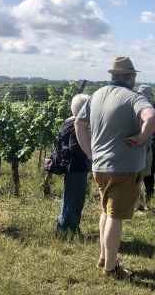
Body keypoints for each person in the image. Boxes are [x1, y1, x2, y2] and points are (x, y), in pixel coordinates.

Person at [75, 56, 155, 280]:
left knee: (106, 211)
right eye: (133, 75)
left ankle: (104, 257)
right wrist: (141, 137)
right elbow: (152, 117)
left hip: (99, 166)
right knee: (116, 216)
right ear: (130, 77)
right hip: (124, 167)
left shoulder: (97, 95)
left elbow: (79, 123)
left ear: (113, 75)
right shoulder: (133, 98)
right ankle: (111, 268)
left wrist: (90, 153)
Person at [56, 93, 90, 235]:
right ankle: (69, 229)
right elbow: (75, 146)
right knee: (74, 198)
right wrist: (90, 153)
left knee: (70, 196)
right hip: (76, 166)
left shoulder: (68, 121)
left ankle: (66, 227)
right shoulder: (75, 125)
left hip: (73, 166)